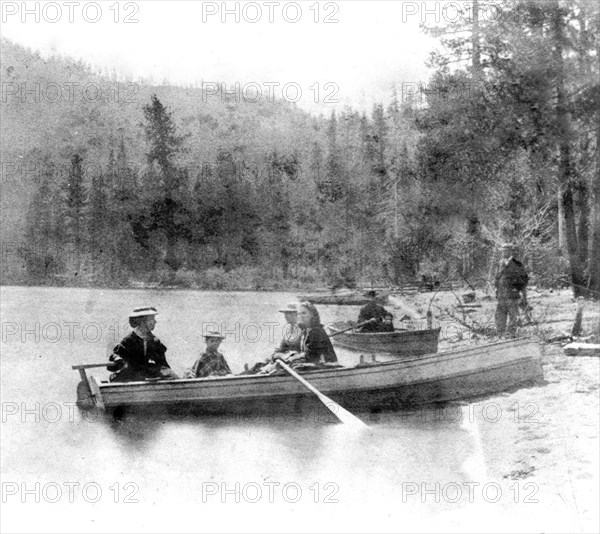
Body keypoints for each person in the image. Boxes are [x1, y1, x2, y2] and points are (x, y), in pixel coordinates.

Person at [108, 306, 178, 382]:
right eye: (151, 319)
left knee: (170, 375)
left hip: (146, 371)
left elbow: (163, 363)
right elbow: (114, 356)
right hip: (131, 372)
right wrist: (118, 359)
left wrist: (169, 375)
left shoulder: (154, 341)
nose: (155, 322)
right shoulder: (129, 340)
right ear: (141, 321)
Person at [494, 243, 529, 337]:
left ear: (511, 251)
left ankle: (510, 333)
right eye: (503, 251)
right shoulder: (499, 263)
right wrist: (496, 289)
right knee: (500, 314)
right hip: (501, 294)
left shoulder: (517, 264)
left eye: (506, 250)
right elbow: (496, 278)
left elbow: (524, 279)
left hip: (512, 294)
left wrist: (517, 288)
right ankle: (500, 333)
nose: (504, 252)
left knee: (513, 315)